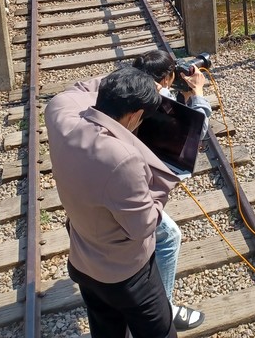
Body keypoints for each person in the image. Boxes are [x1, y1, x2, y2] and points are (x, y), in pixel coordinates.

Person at [46, 67, 179, 337]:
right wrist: (165, 182)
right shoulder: (123, 159)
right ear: (134, 116)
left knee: (105, 328)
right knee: (160, 332)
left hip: (83, 260)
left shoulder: (59, 112)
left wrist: (138, 81)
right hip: (126, 275)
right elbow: (143, 227)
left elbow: (84, 88)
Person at [131, 51, 211, 332]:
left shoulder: (127, 91)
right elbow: (195, 130)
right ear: (166, 78)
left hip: (126, 169)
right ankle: (162, 309)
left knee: (144, 239)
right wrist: (198, 92)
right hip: (137, 183)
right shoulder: (158, 100)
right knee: (169, 237)